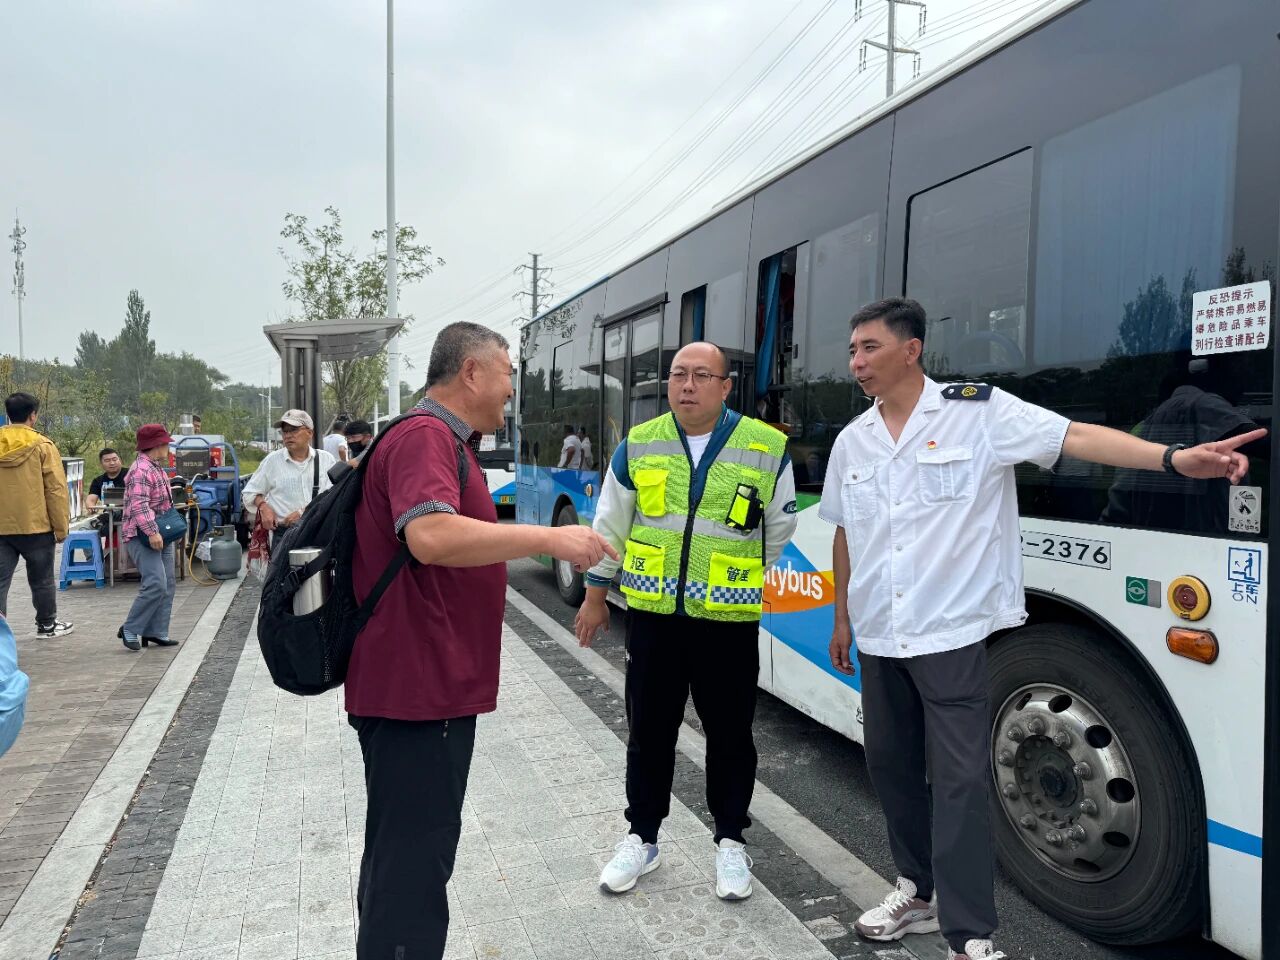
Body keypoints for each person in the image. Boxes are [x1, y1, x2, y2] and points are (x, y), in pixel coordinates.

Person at [820, 298, 1264, 960]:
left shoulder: (977, 413)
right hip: (881, 636)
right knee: (891, 769)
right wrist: (842, 617)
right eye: (852, 350)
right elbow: (844, 531)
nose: (856, 362)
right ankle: (916, 891)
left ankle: (968, 934)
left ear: (911, 350)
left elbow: (1074, 438)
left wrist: (1172, 459)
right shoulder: (853, 440)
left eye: (869, 348)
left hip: (950, 635)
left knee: (962, 784)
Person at [343, 321, 617, 959]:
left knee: (405, 861)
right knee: (412, 870)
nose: (512, 390)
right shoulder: (424, 437)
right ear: (471, 372)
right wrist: (551, 538)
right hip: (416, 692)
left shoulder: (443, 440)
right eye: (507, 374)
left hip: (425, 688)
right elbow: (431, 536)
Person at [574, 341, 799, 901]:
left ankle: (730, 842)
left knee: (731, 736)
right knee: (649, 732)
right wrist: (596, 594)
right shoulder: (639, 443)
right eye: (678, 374)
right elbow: (610, 525)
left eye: (701, 375)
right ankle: (642, 837)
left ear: (726, 387)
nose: (687, 385)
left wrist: (734, 574)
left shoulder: (765, 447)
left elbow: (777, 531)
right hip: (654, 618)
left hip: (727, 621)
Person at [0, 392, 73, 638]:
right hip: (36, 527)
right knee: (42, 580)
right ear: (33, 416)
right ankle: (47, 625)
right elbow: (56, 490)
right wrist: (61, 527)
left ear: (8, 414)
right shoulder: (43, 445)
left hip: (1, 528)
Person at [119, 424, 182, 652]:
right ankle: (130, 628)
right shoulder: (141, 470)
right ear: (156, 445)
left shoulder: (155, 467)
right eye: (166, 444)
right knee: (155, 583)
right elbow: (139, 505)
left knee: (168, 584)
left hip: (160, 533)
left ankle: (156, 631)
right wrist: (152, 531)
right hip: (143, 535)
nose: (168, 448)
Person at [242, 410, 336, 546]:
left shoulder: (326, 460)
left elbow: (333, 496)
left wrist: (302, 513)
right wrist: (263, 506)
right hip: (284, 535)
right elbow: (250, 492)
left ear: (310, 433)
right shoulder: (272, 461)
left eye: (294, 430)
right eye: (285, 431)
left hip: (319, 532)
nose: (288, 435)